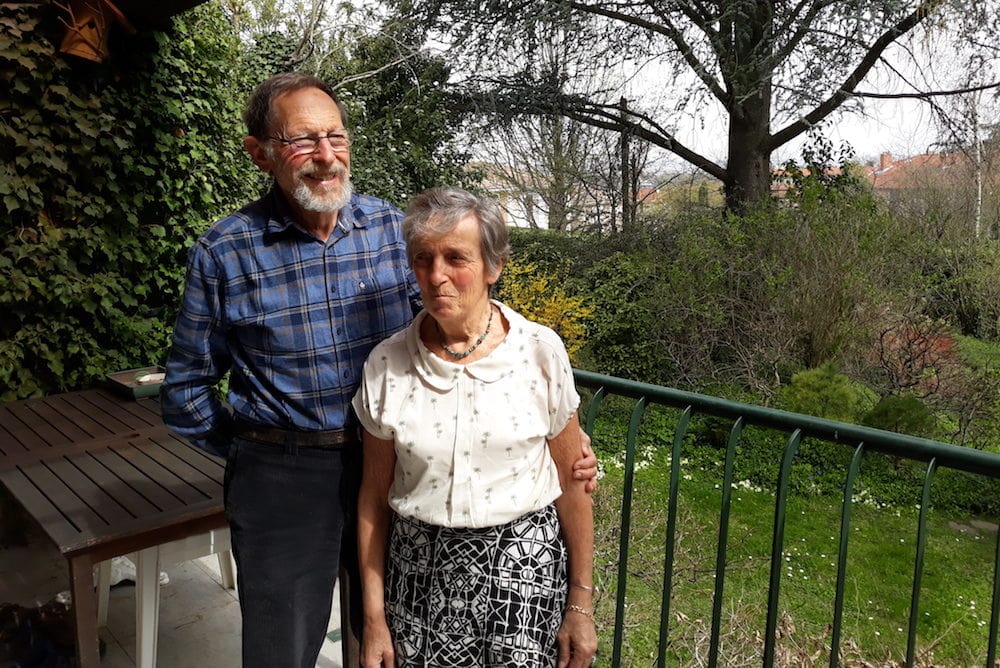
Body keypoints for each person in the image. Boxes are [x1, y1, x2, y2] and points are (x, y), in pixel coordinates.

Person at [160, 72, 598, 668]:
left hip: (398, 468)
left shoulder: (393, 232)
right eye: (302, 140)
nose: (325, 156)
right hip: (287, 477)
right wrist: (254, 451)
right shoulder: (226, 252)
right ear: (259, 152)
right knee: (280, 649)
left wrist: (552, 434)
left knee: (383, 639)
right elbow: (185, 389)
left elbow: (450, 339)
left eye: (336, 137)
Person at [353, 187, 599, 668]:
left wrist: (581, 604)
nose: (437, 275)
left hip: (523, 578)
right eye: (423, 258)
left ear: (493, 266)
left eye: (455, 257)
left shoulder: (539, 352)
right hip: (420, 578)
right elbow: (373, 499)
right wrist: (374, 619)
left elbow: (574, 484)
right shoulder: (386, 365)